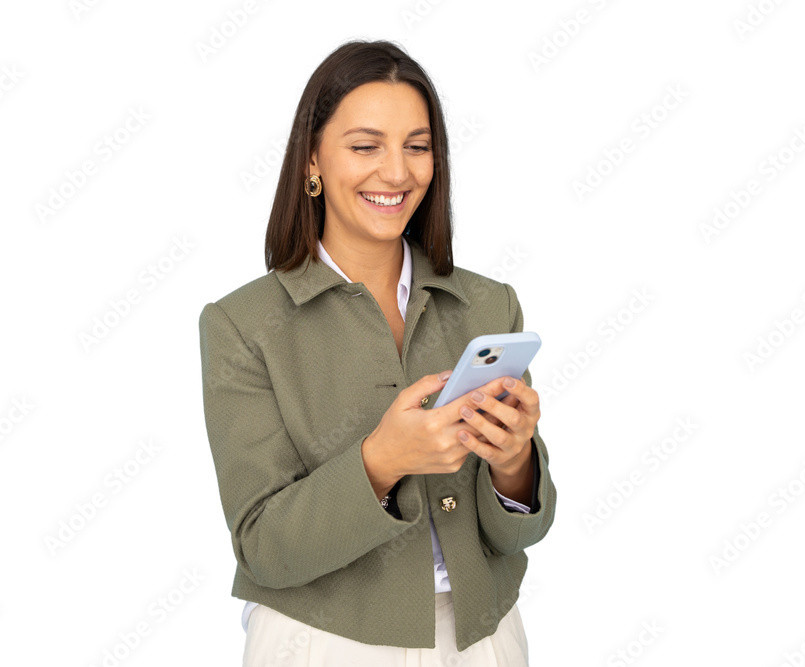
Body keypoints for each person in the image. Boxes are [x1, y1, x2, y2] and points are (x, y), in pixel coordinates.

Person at [199, 39, 556, 666]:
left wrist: (513, 464)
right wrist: (379, 463)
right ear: (312, 159)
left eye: (417, 147)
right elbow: (262, 548)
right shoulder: (242, 325)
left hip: (485, 641)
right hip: (323, 644)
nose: (397, 172)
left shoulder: (489, 306)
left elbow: (522, 530)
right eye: (366, 146)